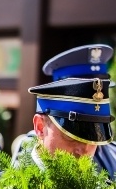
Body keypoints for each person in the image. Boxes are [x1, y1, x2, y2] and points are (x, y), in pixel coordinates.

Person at [13, 44, 116, 174]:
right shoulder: (31, 148)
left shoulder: (111, 152)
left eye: (96, 134)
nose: (84, 149)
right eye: (72, 136)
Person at [26, 77, 113, 161]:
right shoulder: (17, 174)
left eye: (94, 136)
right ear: (40, 127)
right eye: (71, 136)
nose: (85, 150)